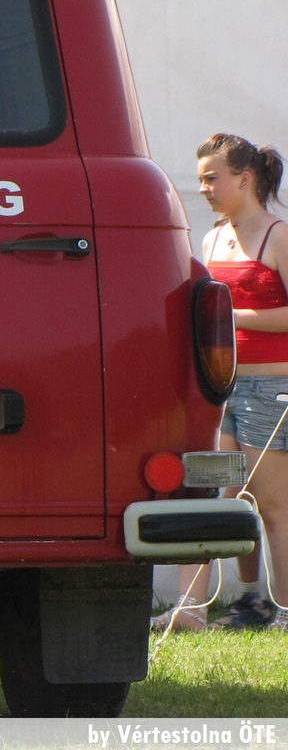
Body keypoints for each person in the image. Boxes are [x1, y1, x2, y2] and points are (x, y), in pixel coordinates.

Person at [155, 134, 288, 633]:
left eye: (212, 178)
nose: (204, 188)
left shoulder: (278, 236)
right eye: (202, 179)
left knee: (273, 508)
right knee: (218, 497)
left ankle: (285, 613)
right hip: (220, 389)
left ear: (245, 179)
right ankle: (208, 606)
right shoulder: (213, 239)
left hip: (271, 390)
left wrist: (230, 315)